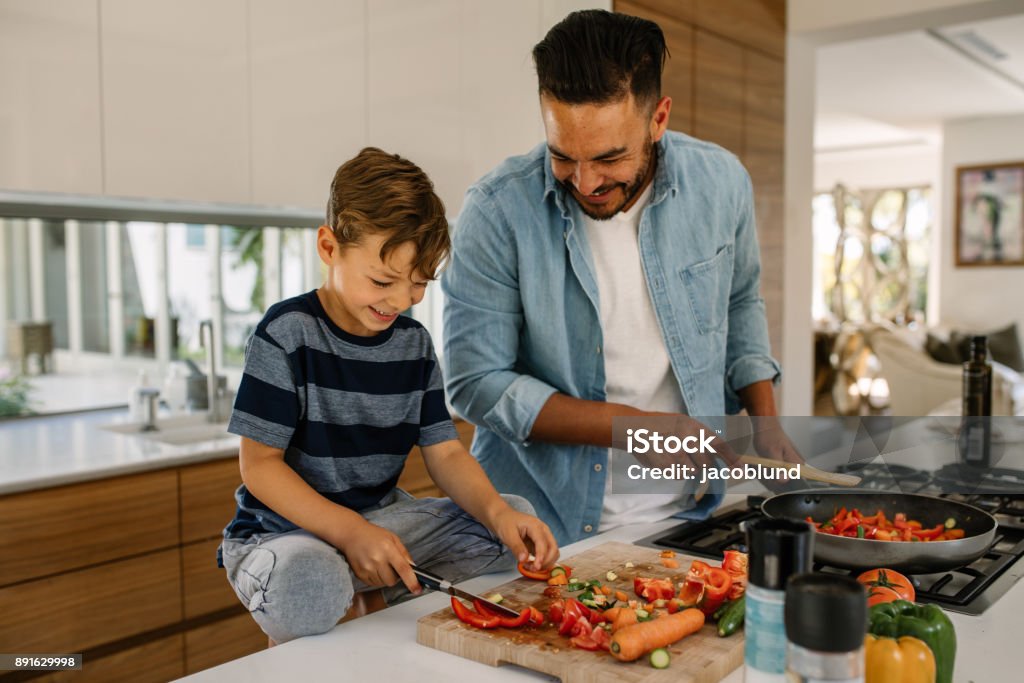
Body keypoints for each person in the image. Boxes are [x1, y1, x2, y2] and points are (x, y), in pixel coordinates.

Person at [441, 10, 799, 546]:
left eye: (609, 157)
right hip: (536, 526)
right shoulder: (496, 211)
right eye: (563, 155)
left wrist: (766, 424)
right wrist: (626, 426)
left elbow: (740, 302)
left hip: (691, 515)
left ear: (659, 119)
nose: (585, 183)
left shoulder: (722, 182)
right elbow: (474, 384)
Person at [218, 147, 557, 645]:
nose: (400, 301)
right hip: (283, 536)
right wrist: (350, 534)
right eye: (382, 280)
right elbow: (260, 466)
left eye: (419, 284)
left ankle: (364, 594)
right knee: (309, 580)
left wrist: (499, 514)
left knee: (507, 524)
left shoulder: (413, 344)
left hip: (378, 522)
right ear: (329, 248)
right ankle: (351, 593)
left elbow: (444, 452)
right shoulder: (286, 333)